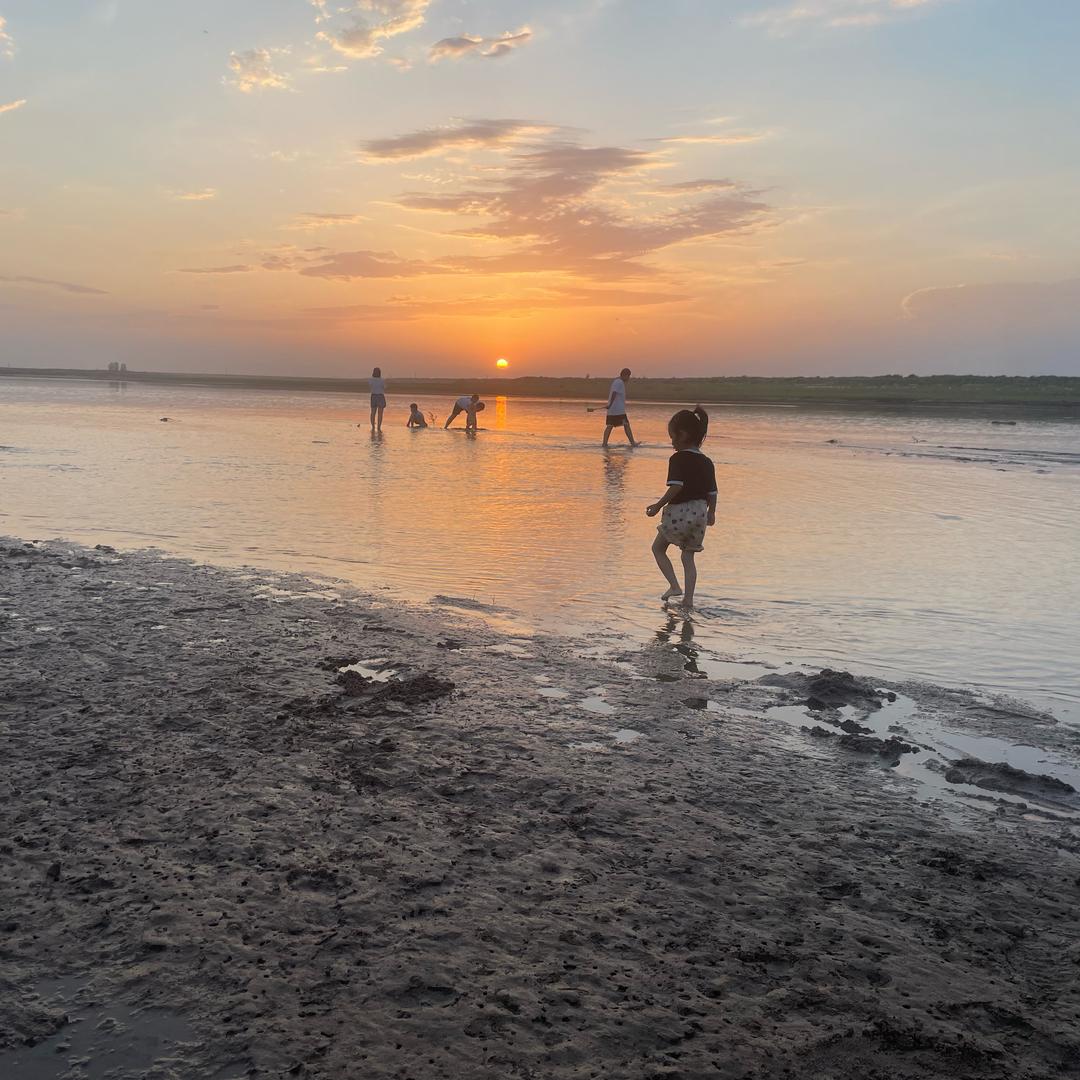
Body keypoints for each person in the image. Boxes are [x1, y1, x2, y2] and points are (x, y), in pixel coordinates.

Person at [645, 408, 716, 610]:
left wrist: (658, 506)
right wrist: (712, 513)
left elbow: (677, 487)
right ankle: (688, 601)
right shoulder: (707, 462)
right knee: (688, 556)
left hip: (680, 512)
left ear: (683, 435)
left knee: (658, 548)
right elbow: (713, 492)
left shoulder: (677, 459)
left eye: (672, 437)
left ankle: (674, 586)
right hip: (701, 513)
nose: (672, 443)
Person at [602, 368, 639, 448]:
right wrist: (610, 404)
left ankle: (604, 444)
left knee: (610, 425)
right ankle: (633, 443)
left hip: (614, 410)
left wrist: (610, 405)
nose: (629, 378)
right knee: (626, 425)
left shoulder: (617, 381)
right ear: (625, 375)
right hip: (618, 410)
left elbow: (614, 393)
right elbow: (614, 393)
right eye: (628, 376)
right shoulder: (619, 382)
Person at [369, 367, 386, 432]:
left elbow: (370, 386)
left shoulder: (370, 380)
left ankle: (373, 426)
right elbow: (384, 387)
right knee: (380, 413)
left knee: (373, 412)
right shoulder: (382, 380)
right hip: (380, 396)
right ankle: (378, 427)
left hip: (373, 396)